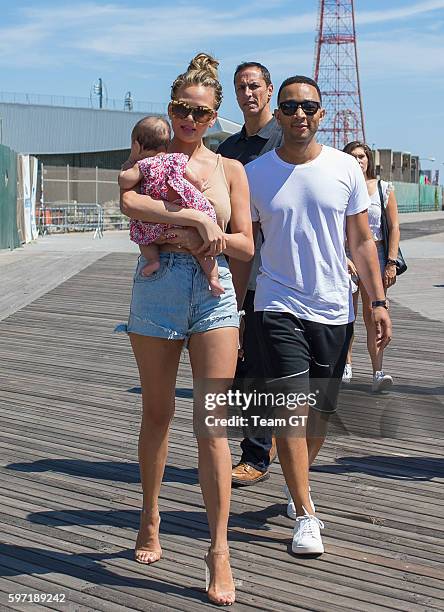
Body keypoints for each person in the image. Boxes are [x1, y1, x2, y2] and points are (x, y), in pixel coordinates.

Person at [235, 75, 392, 555]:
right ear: (278, 114)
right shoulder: (256, 174)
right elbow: (247, 249)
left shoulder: (345, 168)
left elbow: (363, 241)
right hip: (277, 303)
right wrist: (235, 312)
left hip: (334, 306)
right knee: (290, 408)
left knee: (319, 416)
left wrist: (378, 300)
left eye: (308, 106)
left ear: (321, 114)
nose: (299, 114)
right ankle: (306, 514)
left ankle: (293, 483)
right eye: (290, 106)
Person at [120, 53, 254, 606]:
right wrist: (193, 219)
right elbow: (126, 199)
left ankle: (217, 551)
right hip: (158, 287)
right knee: (158, 411)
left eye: (200, 112)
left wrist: (215, 235)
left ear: (214, 115)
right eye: (181, 108)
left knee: (212, 423)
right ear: (170, 106)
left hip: (214, 289)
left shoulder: (230, 170)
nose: (188, 120)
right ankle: (149, 515)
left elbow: (246, 243)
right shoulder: (152, 153)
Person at [218, 61, 283, 486]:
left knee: (267, 366)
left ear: (269, 89)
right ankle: (257, 450)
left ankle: (259, 450)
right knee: (243, 366)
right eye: (241, 87)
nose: (248, 93)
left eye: (254, 85)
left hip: (279, 272)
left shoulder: (285, 139)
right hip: (238, 270)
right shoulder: (228, 149)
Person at [118, 116, 224, 296]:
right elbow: (194, 179)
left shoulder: (142, 165)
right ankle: (213, 278)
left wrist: (130, 161)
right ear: (166, 145)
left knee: (145, 239)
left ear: (137, 145)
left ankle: (153, 261)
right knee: (201, 249)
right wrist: (199, 186)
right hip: (184, 210)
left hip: (158, 219)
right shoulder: (175, 159)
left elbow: (125, 181)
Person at [342, 141, 400, 392]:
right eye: (352, 156)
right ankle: (346, 365)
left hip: (374, 254)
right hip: (344, 254)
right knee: (345, 314)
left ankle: (378, 371)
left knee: (373, 314)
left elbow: (394, 227)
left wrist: (391, 261)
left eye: (362, 156)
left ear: (369, 160)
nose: (358, 160)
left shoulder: (382, 188)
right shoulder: (339, 188)